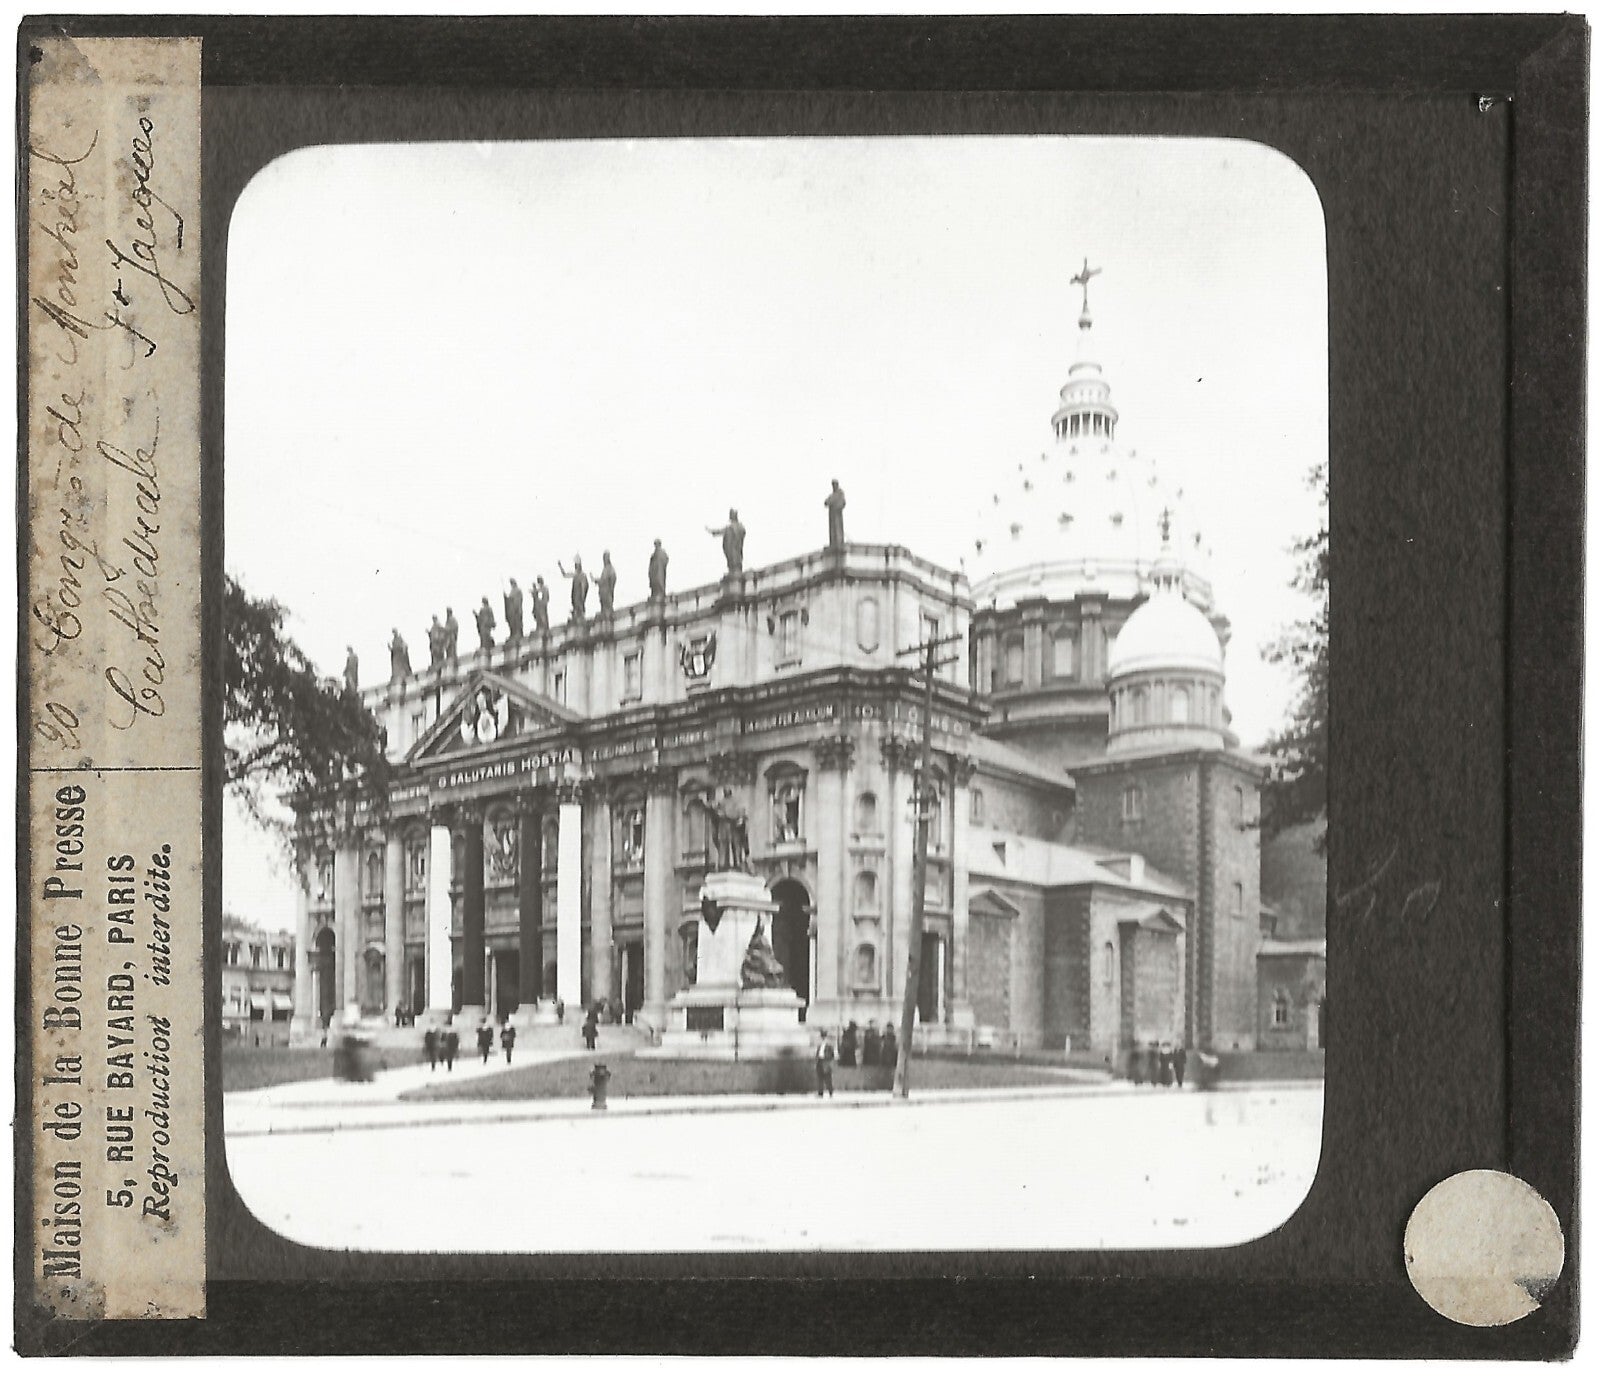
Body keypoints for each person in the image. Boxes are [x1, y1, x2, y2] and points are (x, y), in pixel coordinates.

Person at [707, 508, 746, 575]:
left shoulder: (733, 527)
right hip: (735, 548)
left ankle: (735, 571)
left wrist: (712, 531)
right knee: (735, 558)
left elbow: (721, 531)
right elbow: (721, 531)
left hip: (735, 547)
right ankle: (735, 570)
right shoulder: (738, 527)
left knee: (734, 558)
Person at [558, 556, 589, 621]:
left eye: (577, 565)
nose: (575, 566)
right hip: (575, 596)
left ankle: (580, 616)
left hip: (579, 596)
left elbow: (584, 587)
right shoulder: (575, 574)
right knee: (576, 607)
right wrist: (560, 566)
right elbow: (565, 575)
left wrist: (582, 597)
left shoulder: (582, 575)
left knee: (579, 608)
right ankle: (576, 616)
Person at [825, 479, 846, 549]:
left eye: (835, 484)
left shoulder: (840, 493)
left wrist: (836, 506)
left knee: (838, 528)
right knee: (833, 530)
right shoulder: (832, 495)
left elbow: (842, 503)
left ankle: (839, 542)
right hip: (832, 515)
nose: (833, 486)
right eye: (832, 485)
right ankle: (834, 543)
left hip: (837, 514)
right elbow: (826, 502)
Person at [816, 1033, 836, 1097]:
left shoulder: (829, 1046)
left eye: (824, 1037)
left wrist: (829, 1062)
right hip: (820, 1062)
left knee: (828, 1079)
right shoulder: (819, 1046)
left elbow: (832, 1055)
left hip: (826, 1062)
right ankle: (820, 1093)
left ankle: (830, 1092)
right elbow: (817, 1054)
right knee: (820, 1079)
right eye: (822, 1037)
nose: (823, 1039)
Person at [597, 551, 617, 617]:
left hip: (607, 594)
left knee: (608, 610)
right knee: (605, 610)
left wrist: (610, 589)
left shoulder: (609, 569)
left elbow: (612, 578)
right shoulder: (605, 569)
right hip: (604, 594)